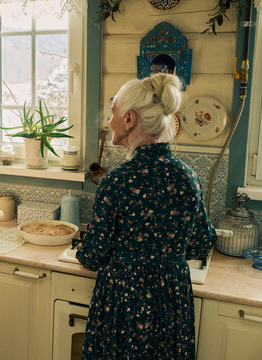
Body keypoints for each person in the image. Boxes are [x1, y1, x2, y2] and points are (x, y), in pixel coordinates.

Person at [76, 73, 218, 359]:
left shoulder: (117, 182)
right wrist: (166, 253)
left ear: (129, 120)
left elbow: (93, 256)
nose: (108, 121)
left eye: (112, 113)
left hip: (124, 300)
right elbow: (202, 242)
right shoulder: (188, 177)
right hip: (171, 298)